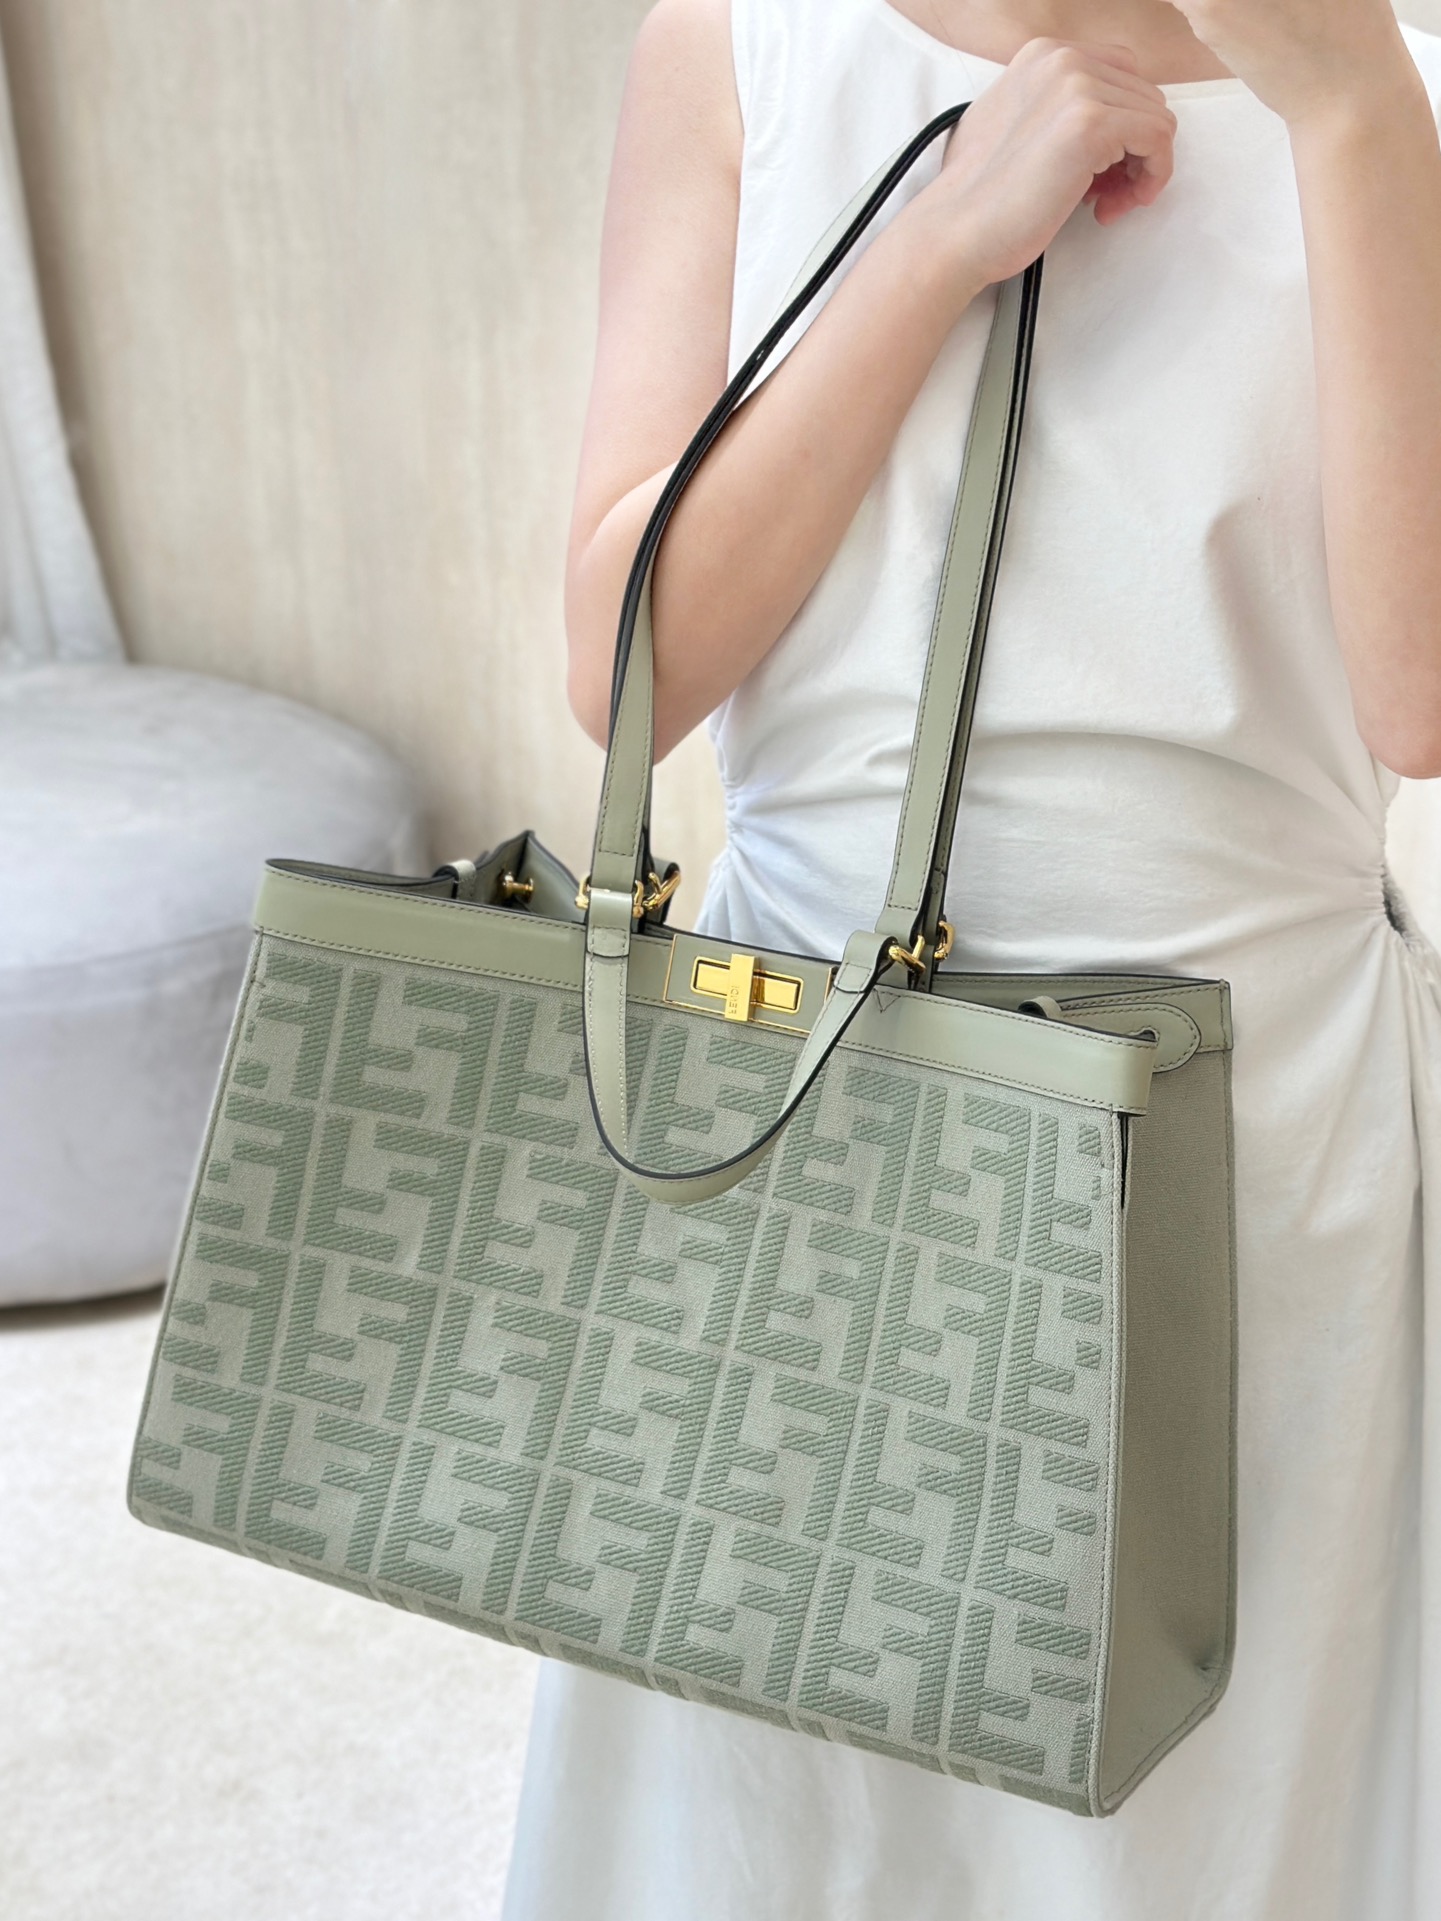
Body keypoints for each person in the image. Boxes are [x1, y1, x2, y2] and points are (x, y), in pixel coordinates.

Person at [502, 1, 1441, 1914]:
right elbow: (629, 672)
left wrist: (1351, 112)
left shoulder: (1391, 72)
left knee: (1220, 1826)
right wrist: (935, 241)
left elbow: (1418, 698)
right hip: (798, 1114)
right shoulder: (745, 40)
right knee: (790, 1821)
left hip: (1256, 1152)